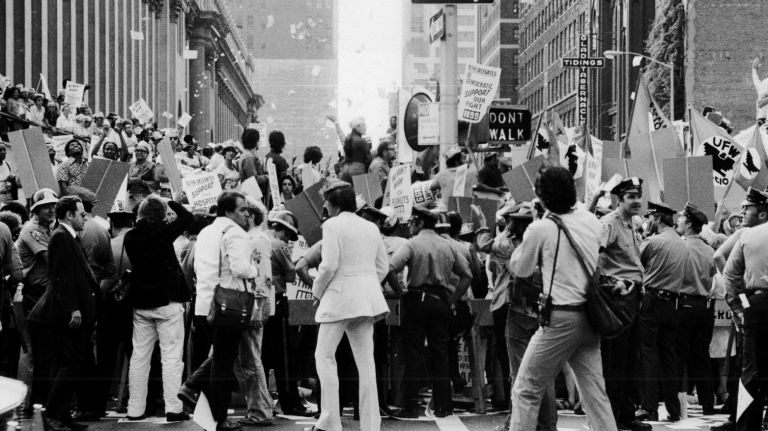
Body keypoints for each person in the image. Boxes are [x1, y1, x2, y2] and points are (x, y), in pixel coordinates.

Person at [508, 166, 617, 431]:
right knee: (594, 394)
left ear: (542, 197)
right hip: (590, 317)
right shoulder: (592, 221)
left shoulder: (541, 228)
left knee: (526, 388)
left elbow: (520, 268)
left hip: (559, 317)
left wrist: (538, 220)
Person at [312, 180, 389, 431]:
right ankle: (370, 425)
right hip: (368, 299)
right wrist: (365, 283)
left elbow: (329, 264)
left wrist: (317, 290)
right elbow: (382, 267)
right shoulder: (370, 227)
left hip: (338, 297)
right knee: (366, 364)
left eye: (326, 200)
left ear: (335, 203)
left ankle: (330, 422)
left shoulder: (332, 225)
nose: (324, 204)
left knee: (324, 356)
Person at [180, 191, 260, 431]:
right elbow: (240, 267)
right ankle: (219, 417)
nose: (248, 213)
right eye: (243, 209)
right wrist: (254, 269)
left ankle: (192, 387)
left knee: (219, 358)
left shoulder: (205, 231)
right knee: (223, 363)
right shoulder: (235, 233)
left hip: (204, 305)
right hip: (228, 305)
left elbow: (193, 265)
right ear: (228, 212)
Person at [389, 206, 472, 418]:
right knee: (440, 353)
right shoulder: (448, 245)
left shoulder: (412, 244)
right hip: (441, 301)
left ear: (418, 222)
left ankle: (411, 404)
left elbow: (390, 269)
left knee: (413, 352)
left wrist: (401, 293)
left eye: (411, 223)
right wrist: (452, 299)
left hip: (416, 299)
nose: (409, 226)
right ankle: (444, 405)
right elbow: (467, 275)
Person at [26, 196, 97, 431]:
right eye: (81, 213)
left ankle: (62, 415)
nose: (85, 217)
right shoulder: (60, 237)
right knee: (70, 362)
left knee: (68, 363)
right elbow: (61, 276)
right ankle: (54, 414)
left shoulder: (66, 236)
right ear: (69, 215)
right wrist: (73, 309)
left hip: (69, 312)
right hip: (65, 314)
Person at [124, 194, 193, 421]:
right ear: (161, 216)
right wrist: (169, 200)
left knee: (139, 356)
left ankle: (135, 408)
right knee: (171, 357)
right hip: (168, 302)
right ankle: (173, 407)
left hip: (141, 302)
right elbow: (187, 217)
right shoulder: (164, 234)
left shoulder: (130, 237)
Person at [598, 177, 647, 431]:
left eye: (638, 195)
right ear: (619, 199)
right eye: (631, 196)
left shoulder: (632, 225)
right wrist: (610, 283)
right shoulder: (609, 223)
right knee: (616, 360)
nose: (637, 200)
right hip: (618, 297)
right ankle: (614, 416)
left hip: (634, 295)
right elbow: (591, 255)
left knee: (630, 359)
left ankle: (626, 415)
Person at [635, 202, 688, 422]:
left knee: (649, 354)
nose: (648, 222)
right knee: (669, 357)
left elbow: (635, 262)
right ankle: (673, 409)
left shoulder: (653, 241)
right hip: (673, 304)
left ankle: (649, 407)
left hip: (653, 300)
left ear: (656, 218)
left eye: (650, 218)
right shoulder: (682, 243)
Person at [723, 187, 768, 431]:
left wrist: (740, 306)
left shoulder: (747, 236)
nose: (742, 212)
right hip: (756, 303)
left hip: (757, 304)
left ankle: (745, 426)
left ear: (762, 213)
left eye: (747, 208)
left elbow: (731, 276)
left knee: (750, 371)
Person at [233, 200, 274, 427]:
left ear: (250, 216)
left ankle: (260, 410)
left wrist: (258, 306)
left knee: (250, 358)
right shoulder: (255, 237)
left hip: (252, 304)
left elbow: (263, 276)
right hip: (250, 303)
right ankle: (259, 408)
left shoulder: (257, 239)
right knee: (248, 358)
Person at [675, 203, 717, 416]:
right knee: (702, 357)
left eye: (681, 218)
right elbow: (712, 277)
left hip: (684, 305)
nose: (678, 220)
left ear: (689, 223)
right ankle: (708, 405)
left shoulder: (681, 247)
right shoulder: (709, 249)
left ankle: (678, 407)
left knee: (678, 356)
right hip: (705, 307)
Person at [339, 117, 372, 182]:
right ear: (357, 127)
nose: (365, 127)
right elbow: (369, 159)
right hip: (358, 170)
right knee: (361, 191)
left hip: (346, 170)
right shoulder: (361, 141)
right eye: (364, 125)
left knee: (349, 191)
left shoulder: (348, 139)